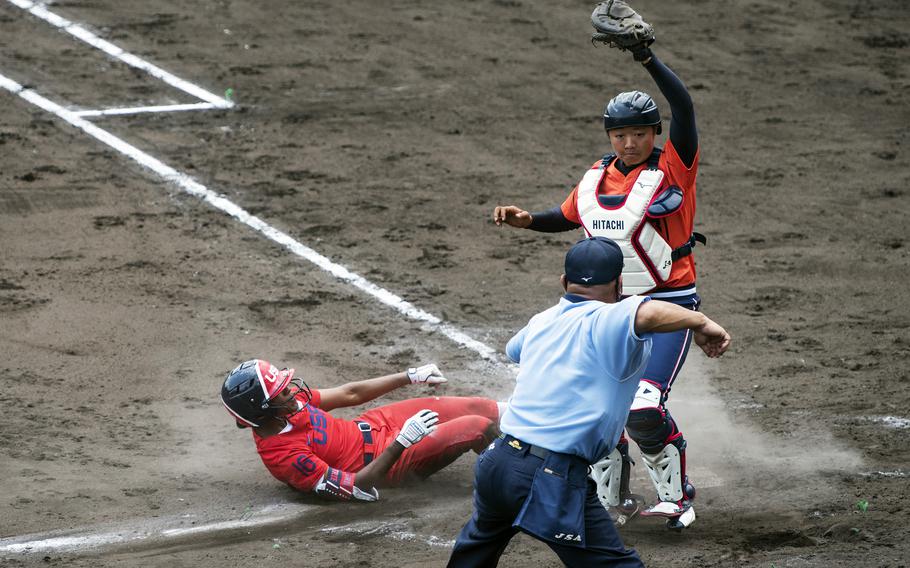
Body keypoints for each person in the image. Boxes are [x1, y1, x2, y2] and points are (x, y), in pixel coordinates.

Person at [491, 6, 706, 528]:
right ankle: (614, 498)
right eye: (619, 134)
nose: (629, 142)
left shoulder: (674, 164)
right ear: (609, 137)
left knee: (644, 407)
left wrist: (645, 57)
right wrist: (527, 221)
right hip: (605, 313)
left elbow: (684, 106)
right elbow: (565, 218)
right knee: (600, 410)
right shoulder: (596, 178)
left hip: (667, 302)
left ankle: (678, 498)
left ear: (653, 133)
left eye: (638, 133)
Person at [448, 236, 730, 567]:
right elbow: (648, 312)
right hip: (550, 476)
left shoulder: (541, 321)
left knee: (472, 559)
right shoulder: (611, 317)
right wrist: (701, 321)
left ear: (564, 282)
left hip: (496, 464)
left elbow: (514, 349)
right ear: (620, 283)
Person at [221, 359, 501, 501]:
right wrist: (402, 442)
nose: (292, 392)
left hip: (376, 423)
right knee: (477, 426)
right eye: (281, 392)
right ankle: (515, 479)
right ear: (263, 410)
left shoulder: (286, 406)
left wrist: (410, 376)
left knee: (481, 406)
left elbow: (350, 394)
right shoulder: (286, 458)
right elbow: (358, 488)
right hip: (386, 462)